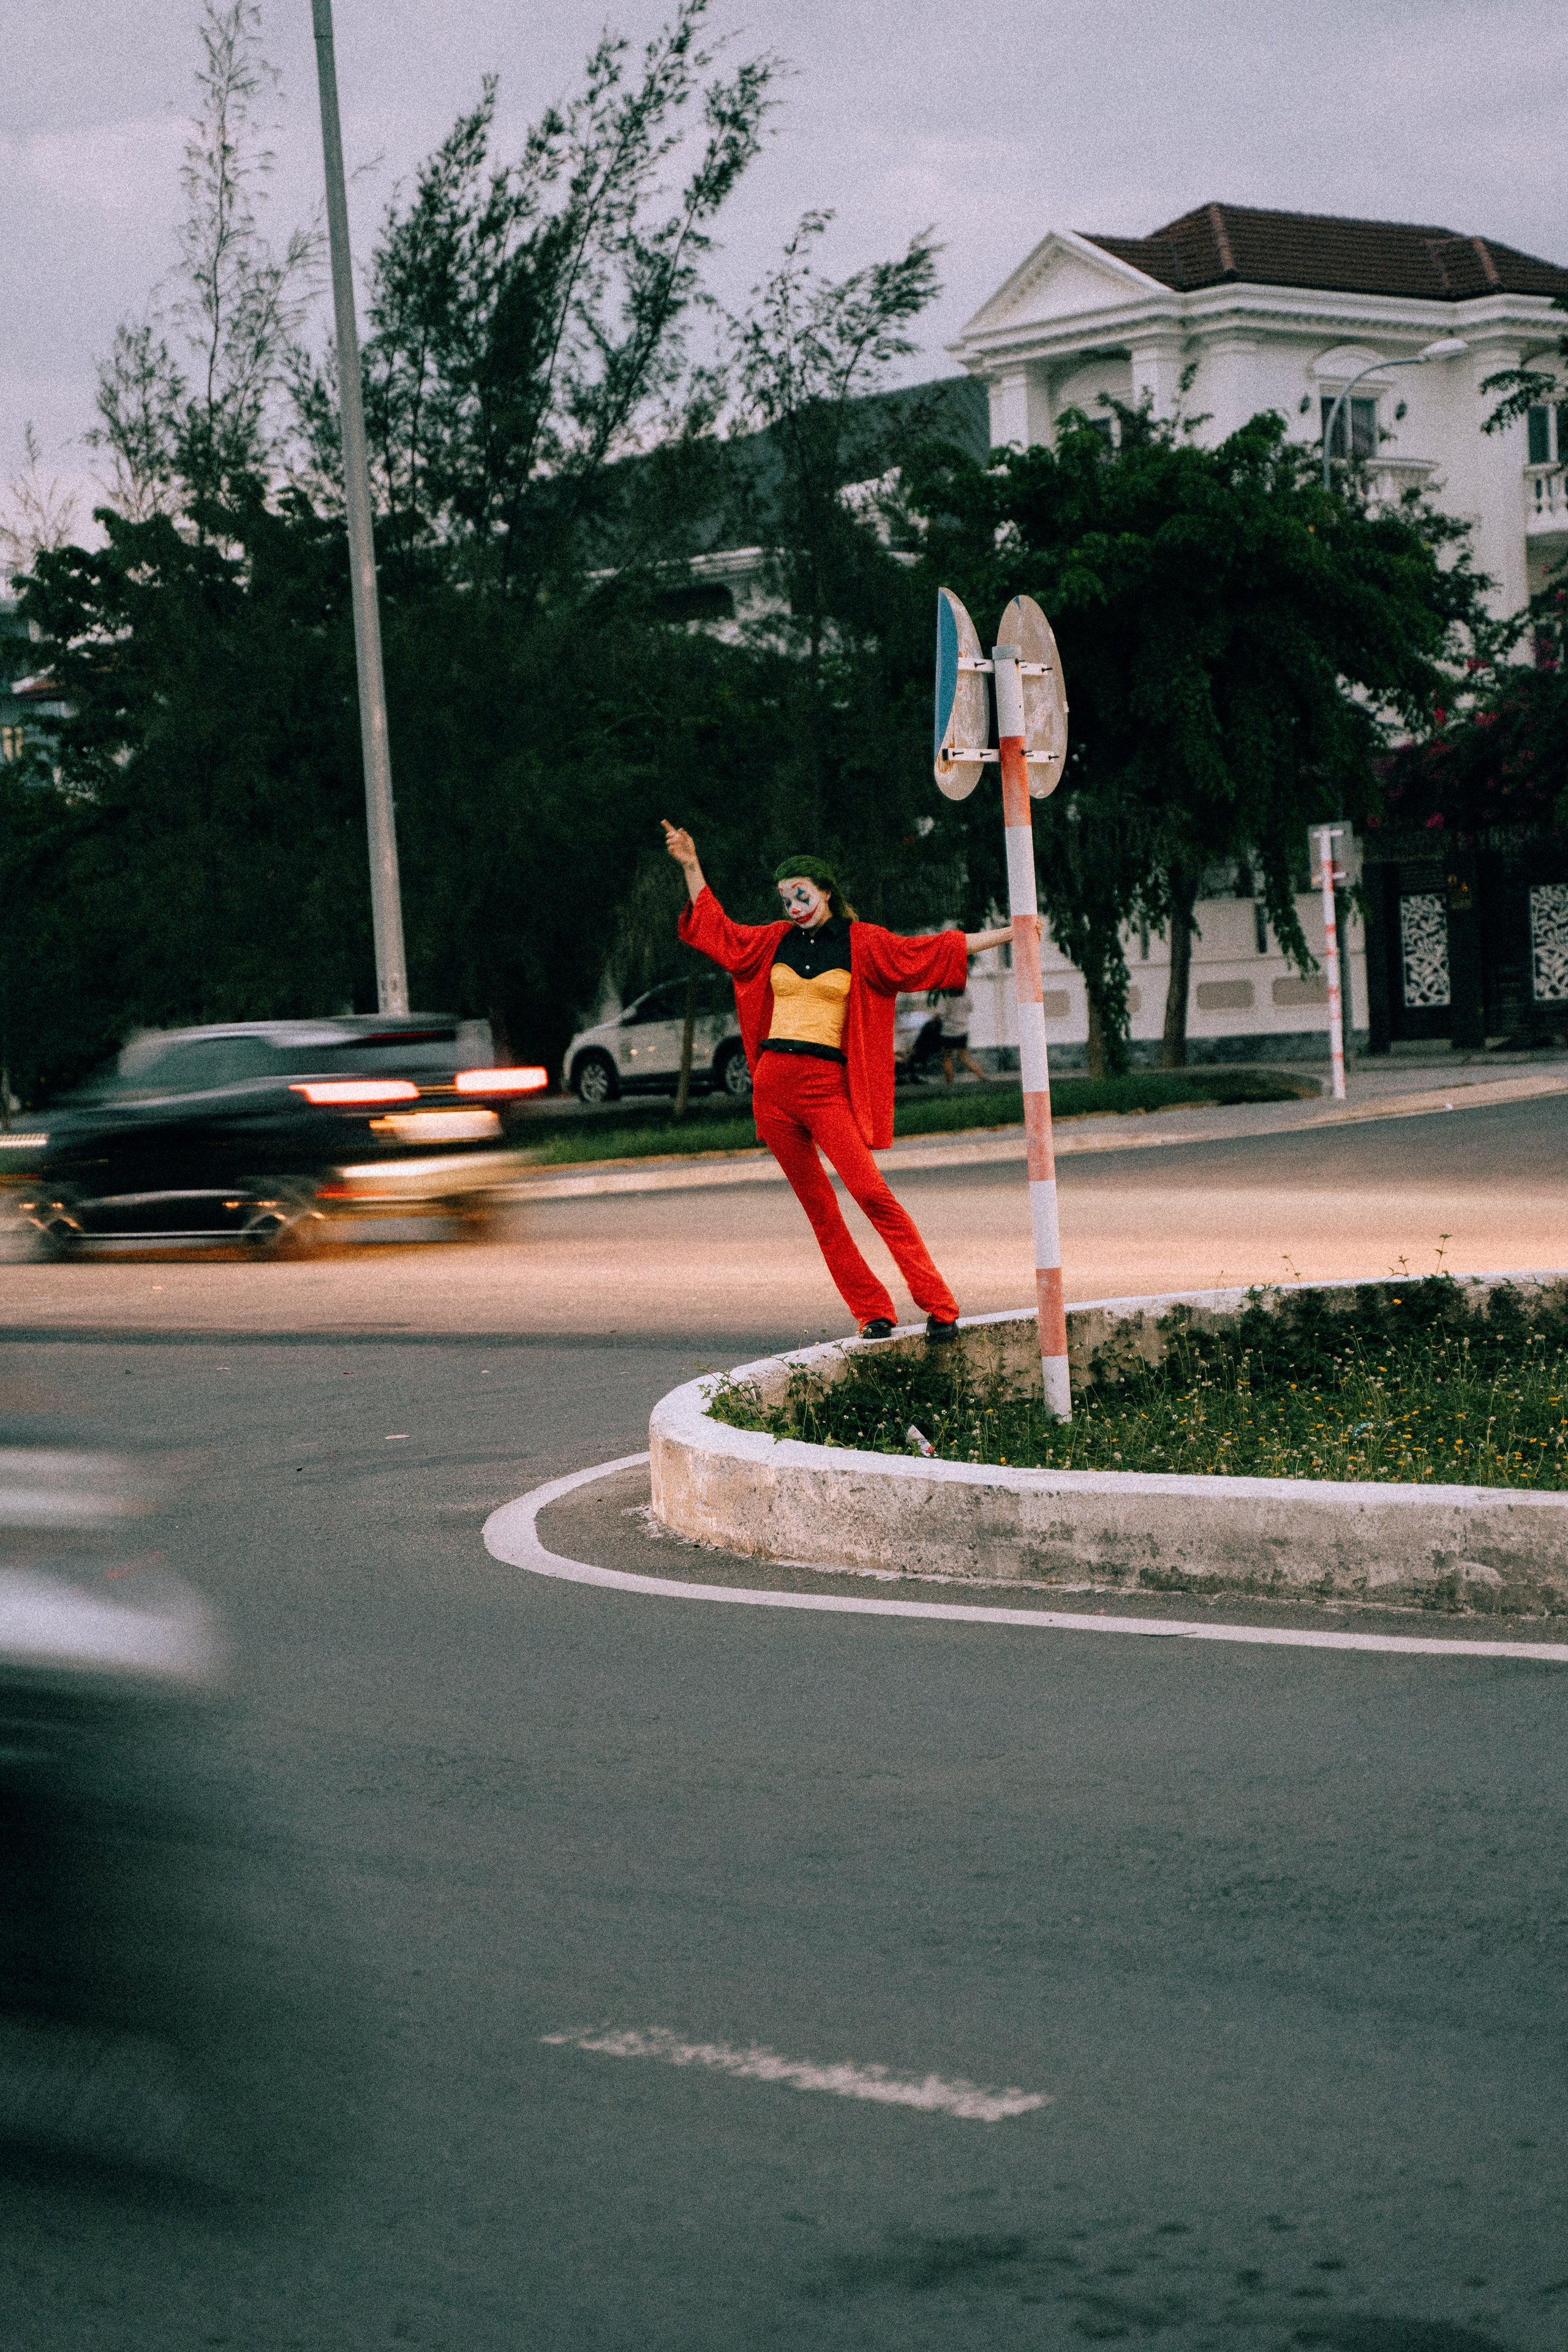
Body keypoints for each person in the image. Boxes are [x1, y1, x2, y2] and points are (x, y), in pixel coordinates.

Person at [661, 821, 1011, 1340]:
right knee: (821, 1211)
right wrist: (691, 865)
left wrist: (1013, 933)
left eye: (801, 893)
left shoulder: (862, 942)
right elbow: (719, 932)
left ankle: (939, 1305)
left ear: (826, 891)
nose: (794, 905)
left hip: (826, 1088)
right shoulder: (772, 942)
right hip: (774, 1088)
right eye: (785, 898)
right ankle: (871, 1311)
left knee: (871, 1193)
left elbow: (928, 952)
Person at [938, 971, 990, 1084]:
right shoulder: (966, 993)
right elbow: (971, 1008)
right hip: (962, 1030)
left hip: (948, 1031)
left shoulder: (946, 995)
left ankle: (949, 1083)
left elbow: (941, 1012)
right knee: (965, 1058)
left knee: (947, 1058)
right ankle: (982, 1077)